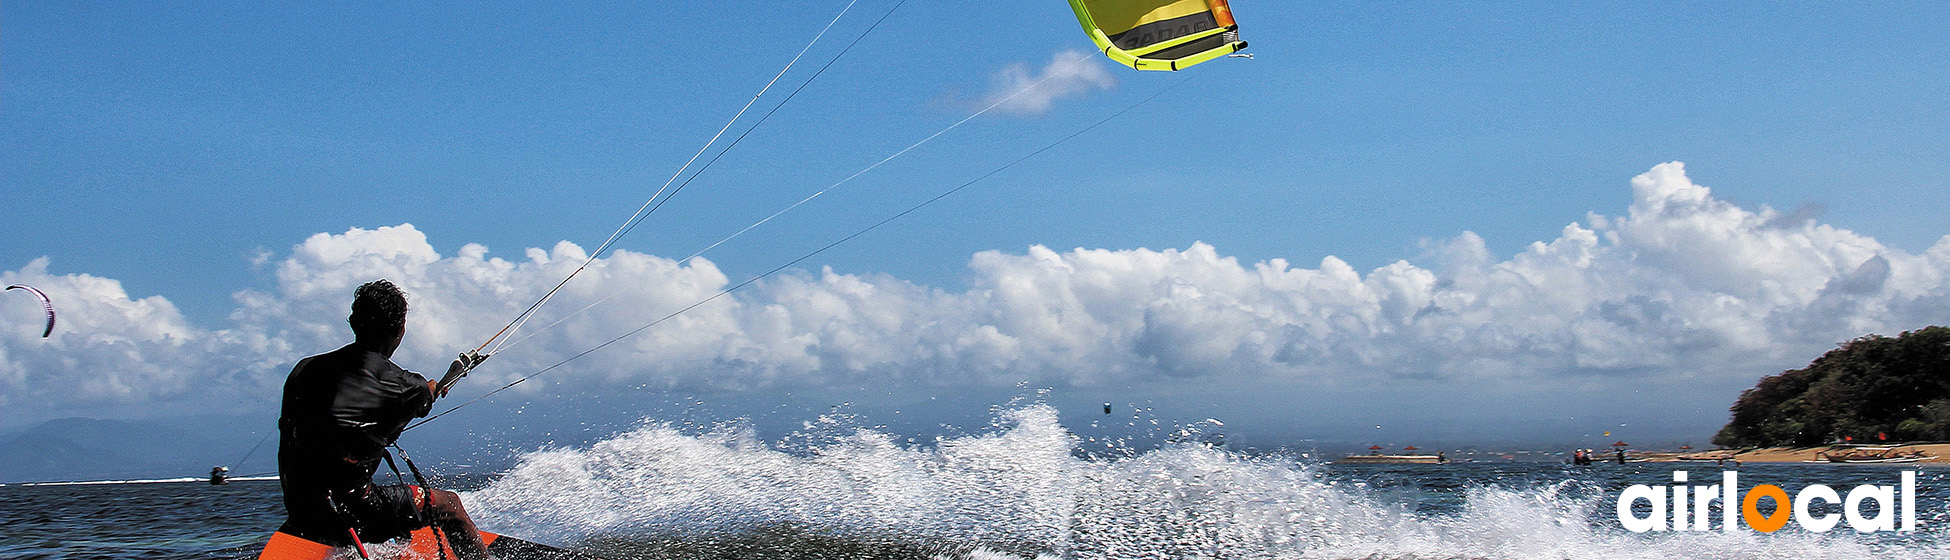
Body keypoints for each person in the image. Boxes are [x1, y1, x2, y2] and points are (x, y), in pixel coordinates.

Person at [276, 279, 489, 558]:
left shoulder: (304, 370)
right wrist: (444, 381)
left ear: (353, 322)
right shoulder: (402, 385)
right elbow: (425, 393)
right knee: (450, 505)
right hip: (354, 517)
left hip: (301, 512)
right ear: (400, 330)